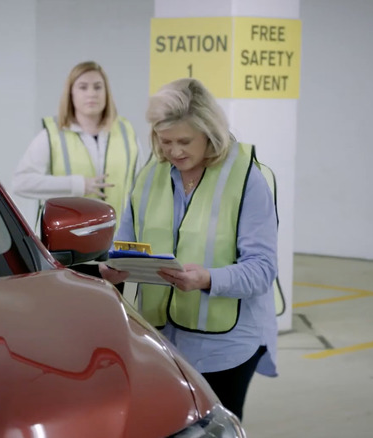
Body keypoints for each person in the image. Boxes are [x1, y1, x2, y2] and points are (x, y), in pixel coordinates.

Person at [99, 78, 278, 420]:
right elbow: (123, 244)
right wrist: (114, 268)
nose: (174, 151)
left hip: (226, 345)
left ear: (210, 134)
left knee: (214, 426)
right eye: (165, 141)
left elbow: (263, 269)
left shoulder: (246, 180)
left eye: (185, 141)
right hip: (163, 342)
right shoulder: (151, 174)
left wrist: (208, 278)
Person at [12, 60, 144, 230]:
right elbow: (21, 183)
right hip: (67, 241)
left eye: (98, 87)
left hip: (117, 239)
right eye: (83, 87)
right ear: (71, 94)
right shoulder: (52, 135)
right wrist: (78, 185)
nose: (92, 93)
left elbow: (141, 187)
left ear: (106, 93)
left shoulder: (127, 133)